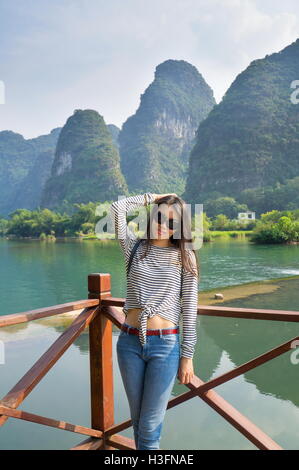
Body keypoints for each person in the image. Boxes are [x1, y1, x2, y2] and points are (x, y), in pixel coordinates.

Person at [109, 192, 199, 450]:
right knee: (138, 422)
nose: (163, 225)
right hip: (129, 342)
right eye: (160, 217)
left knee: (149, 426)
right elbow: (117, 208)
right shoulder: (134, 247)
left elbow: (189, 309)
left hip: (165, 346)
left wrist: (187, 355)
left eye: (172, 222)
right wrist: (153, 197)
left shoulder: (185, 257)